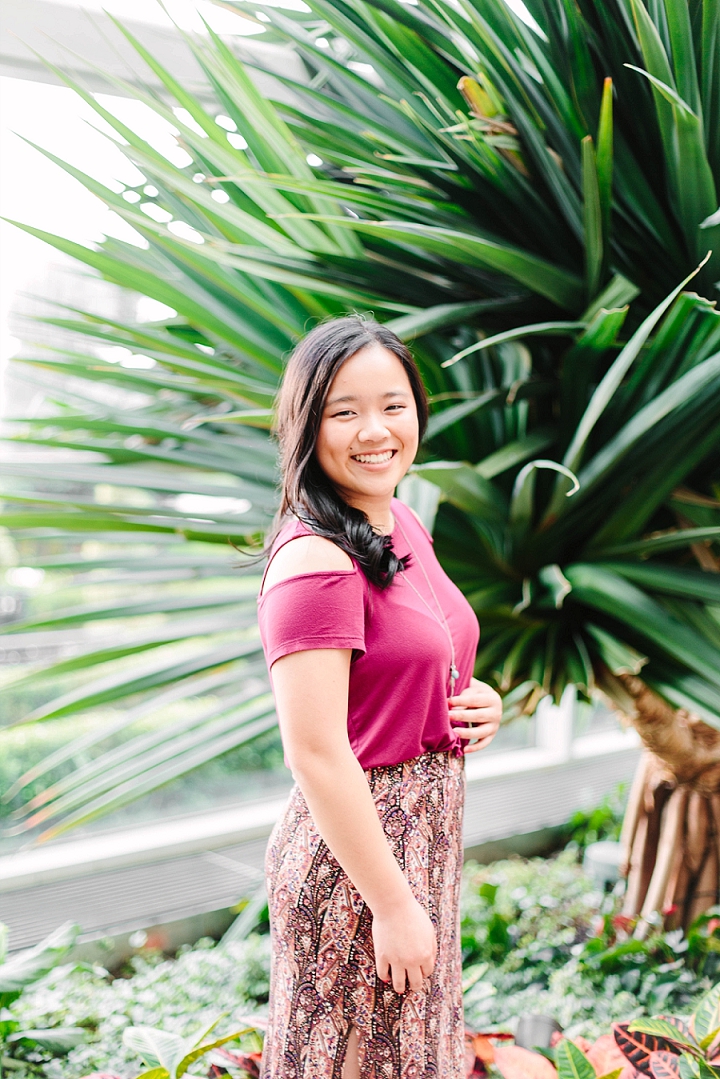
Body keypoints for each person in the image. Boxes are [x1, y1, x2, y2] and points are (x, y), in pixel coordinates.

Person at [257, 316, 502, 1079]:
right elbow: (318, 751)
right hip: (358, 870)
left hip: (417, 854)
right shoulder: (317, 565)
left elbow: (421, 649)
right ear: (307, 425)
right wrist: (393, 905)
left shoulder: (397, 521)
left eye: (393, 405)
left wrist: (474, 698)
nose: (375, 430)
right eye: (344, 410)